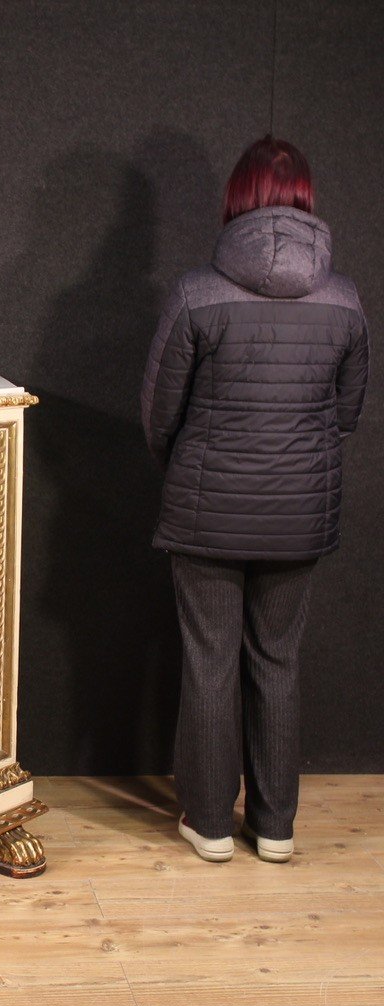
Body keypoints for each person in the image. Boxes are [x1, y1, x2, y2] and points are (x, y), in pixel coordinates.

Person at [140, 135, 370, 863]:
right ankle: (275, 827)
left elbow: (158, 413)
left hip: (207, 509)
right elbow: (346, 414)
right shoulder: (345, 301)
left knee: (209, 661)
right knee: (278, 661)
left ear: (234, 199)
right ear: (307, 197)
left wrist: (188, 469)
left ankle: (208, 823)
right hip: (300, 515)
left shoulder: (195, 294)